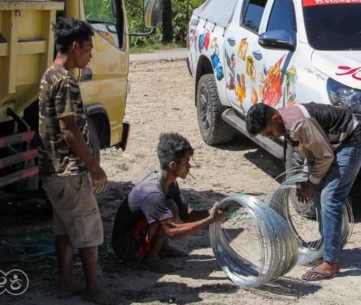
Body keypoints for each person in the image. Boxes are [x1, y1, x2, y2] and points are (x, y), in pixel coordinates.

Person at [38, 17, 118, 304]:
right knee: (88, 229)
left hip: (50, 170)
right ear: (74, 46)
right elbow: (68, 128)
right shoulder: (66, 80)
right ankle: (93, 287)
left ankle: (66, 283)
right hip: (69, 171)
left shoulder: (49, 74)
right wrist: (94, 166)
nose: (90, 55)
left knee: (64, 229)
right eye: (88, 49)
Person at [245, 102, 361, 281]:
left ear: (275, 118)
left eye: (270, 133)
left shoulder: (297, 123)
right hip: (335, 144)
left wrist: (311, 181)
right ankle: (327, 248)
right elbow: (310, 153)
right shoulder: (286, 124)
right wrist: (306, 180)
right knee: (320, 193)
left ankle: (331, 263)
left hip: (352, 141)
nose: (271, 137)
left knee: (330, 197)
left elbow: (325, 155)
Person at [111, 132, 227, 272]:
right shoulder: (153, 193)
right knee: (168, 209)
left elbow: (185, 215)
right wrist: (209, 220)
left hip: (138, 234)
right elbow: (172, 231)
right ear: (172, 165)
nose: (189, 167)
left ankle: (161, 249)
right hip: (127, 247)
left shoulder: (169, 183)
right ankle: (150, 258)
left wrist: (212, 212)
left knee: (171, 206)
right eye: (185, 163)